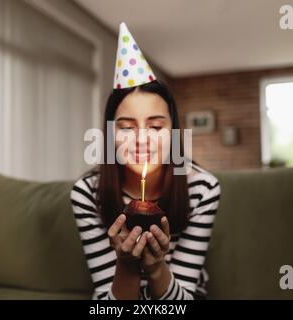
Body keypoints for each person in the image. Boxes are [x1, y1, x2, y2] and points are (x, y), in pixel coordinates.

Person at [71, 22, 221, 300]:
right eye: (126, 127)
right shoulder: (87, 194)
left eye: (155, 127)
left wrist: (155, 268)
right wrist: (126, 264)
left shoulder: (203, 188)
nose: (141, 140)